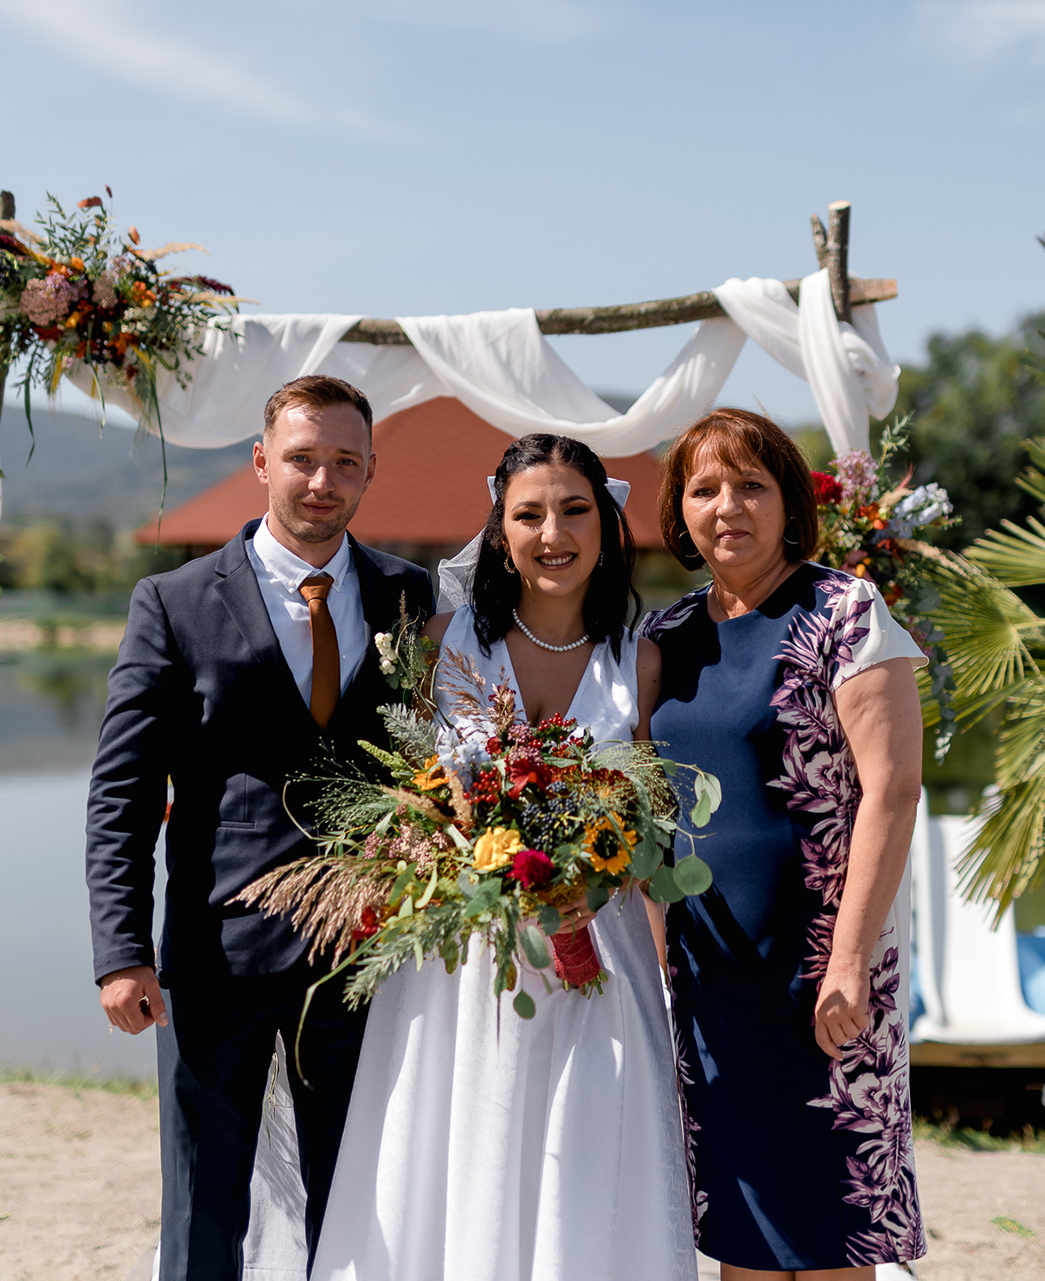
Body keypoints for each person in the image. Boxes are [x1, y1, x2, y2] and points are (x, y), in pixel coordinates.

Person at [310, 433, 697, 1281]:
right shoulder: (443, 643)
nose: (552, 533)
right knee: (460, 1159)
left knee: (585, 1165)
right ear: (499, 531)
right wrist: (461, 857)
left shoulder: (642, 661)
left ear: (607, 526)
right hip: (463, 966)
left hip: (599, 959)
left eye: (574, 510)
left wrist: (600, 879)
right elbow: (412, 801)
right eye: (529, 514)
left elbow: (654, 831)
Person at [85, 375, 435, 1281]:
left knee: (359, 1199)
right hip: (218, 957)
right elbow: (123, 789)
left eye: (345, 462)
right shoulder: (174, 601)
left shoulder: (411, 596)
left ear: (370, 472)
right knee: (204, 1203)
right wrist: (121, 951)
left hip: (366, 955)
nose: (322, 480)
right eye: (302, 458)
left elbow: (434, 763)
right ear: (261, 462)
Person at [641, 408, 927, 1280]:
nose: (728, 506)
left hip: (827, 976)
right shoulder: (662, 637)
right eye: (704, 489)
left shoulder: (845, 611)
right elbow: (645, 815)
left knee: (834, 1230)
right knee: (745, 1233)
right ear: (680, 510)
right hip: (712, 979)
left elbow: (893, 791)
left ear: (788, 500)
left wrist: (850, 962)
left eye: (751, 485)